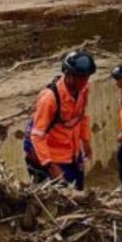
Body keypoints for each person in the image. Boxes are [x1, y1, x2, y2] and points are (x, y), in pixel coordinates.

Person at [25, 51, 96, 190]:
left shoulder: (83, 90)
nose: (84, 82)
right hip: (54, 159)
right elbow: (37, 136)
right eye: (81, 78)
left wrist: (85, 141)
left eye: (87, 78)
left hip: (73, 155)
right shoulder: (49, 99)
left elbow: (81, 117)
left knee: (78, 193)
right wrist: (50, 166)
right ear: (68, 74)